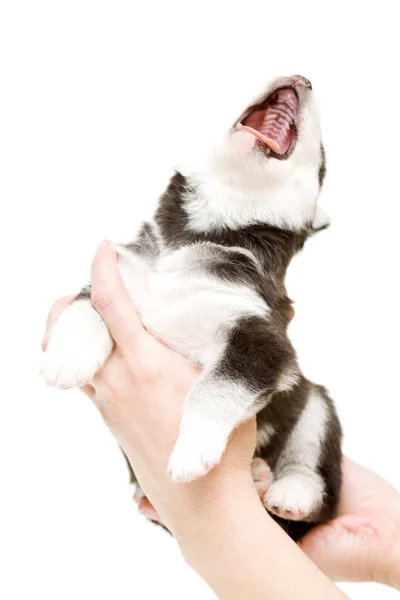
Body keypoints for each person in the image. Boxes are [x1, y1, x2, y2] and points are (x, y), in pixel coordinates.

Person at [42, 241, 400, 598]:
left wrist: (214, 516)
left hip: (259, 446)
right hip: (216, 471)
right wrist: (384, 543)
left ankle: (300, 474)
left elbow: (263, 360)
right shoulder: (159, 257)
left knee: (312, 403)